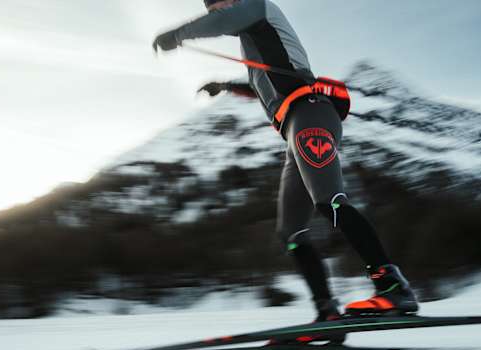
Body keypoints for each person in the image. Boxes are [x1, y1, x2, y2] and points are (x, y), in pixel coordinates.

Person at [153, 0, 418, 321]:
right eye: (210, 9)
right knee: (292, 233)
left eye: (217, 6)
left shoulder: (257, 8)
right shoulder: (254, 38)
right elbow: (267, 84)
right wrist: (226, 87)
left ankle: (391, 286)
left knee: (331, 203)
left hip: (310, 113)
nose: (214, 13)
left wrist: (177, 35)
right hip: (296, 126)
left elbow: (224, 21)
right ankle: (326, 311)